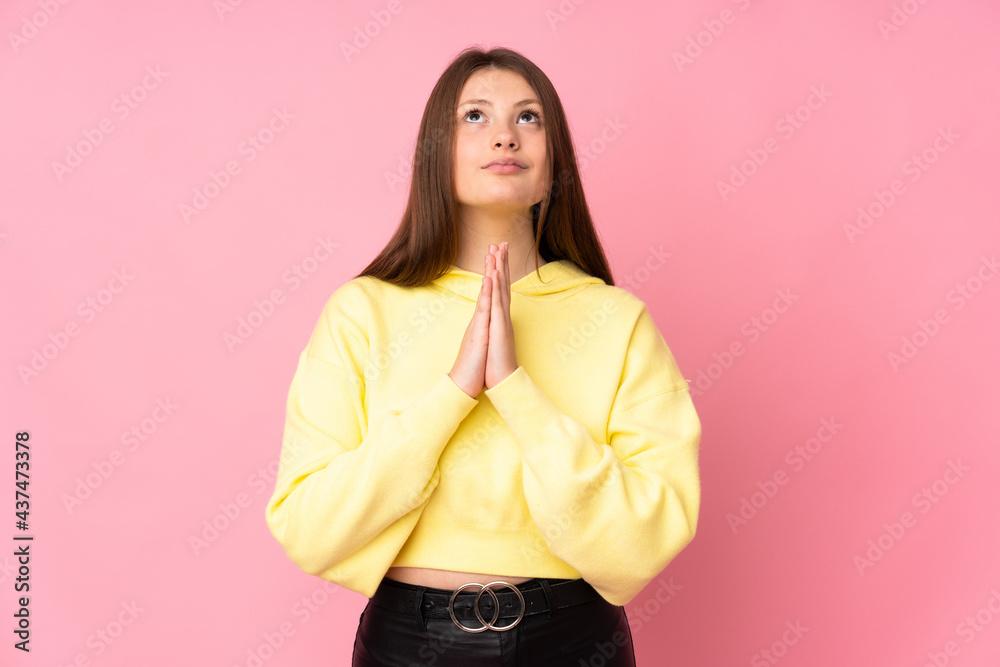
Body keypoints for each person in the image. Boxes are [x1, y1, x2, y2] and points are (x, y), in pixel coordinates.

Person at [264, 45, 702, 666]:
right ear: (435, 152)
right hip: (409, 644)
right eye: (475, 115)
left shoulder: (616, 321)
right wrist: (452, 394)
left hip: (575, 641)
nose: (504, 136)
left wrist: (516, 390)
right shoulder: (362, 311)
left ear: (555, 161)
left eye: (528, 117)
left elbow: (645, 542)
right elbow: (309, 530)